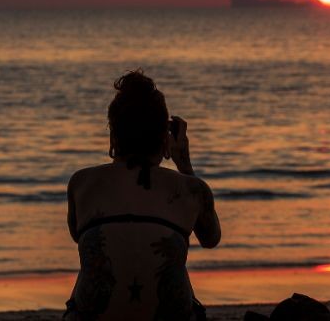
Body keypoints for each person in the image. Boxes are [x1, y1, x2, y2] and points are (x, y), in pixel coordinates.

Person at [65, 70, 222, 321]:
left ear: (114, 135)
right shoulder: (192, 189)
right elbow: (211, 238)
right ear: (164, 137)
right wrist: (184, 163)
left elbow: (78, 236)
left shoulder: (81, 183)